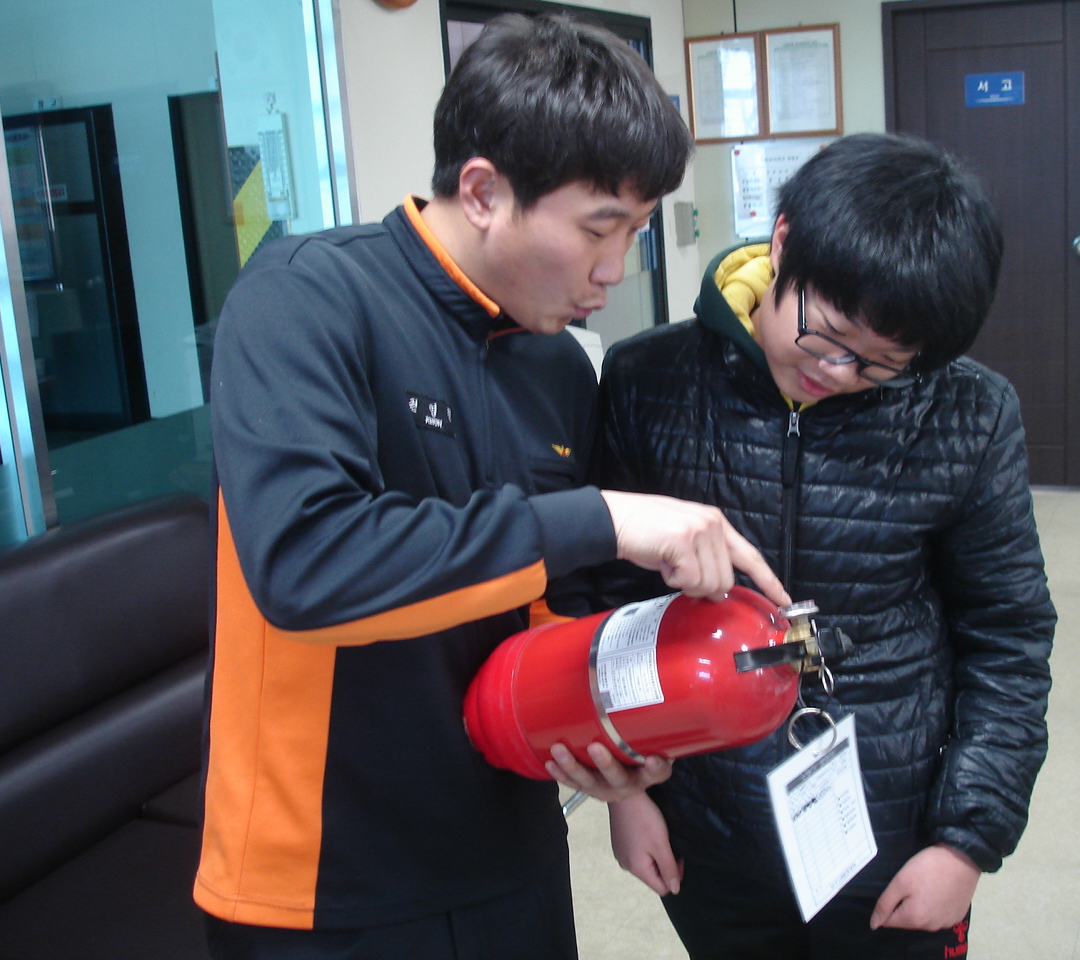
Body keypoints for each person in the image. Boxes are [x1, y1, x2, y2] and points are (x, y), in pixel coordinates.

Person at [194, 13, 787, 960]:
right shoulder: (305, 299)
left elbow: (555, 600)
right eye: (599, 229)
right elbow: (308, 565)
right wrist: (601, 517)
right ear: (481, 191)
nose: (615, 270)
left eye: (636, 231)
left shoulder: (558, 364)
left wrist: (617, 739)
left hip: (508, 836)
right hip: (322, 873)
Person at [593, 132, 1056, 960]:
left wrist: (967, 843)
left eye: (881, 365)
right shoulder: (645, 381)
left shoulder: (969, 412)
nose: (840, 373)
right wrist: (628, 793)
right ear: (783, 243)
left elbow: (1009, 638)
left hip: (892, 831)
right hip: (705, 822)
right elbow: (610, 612)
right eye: (829, 336)